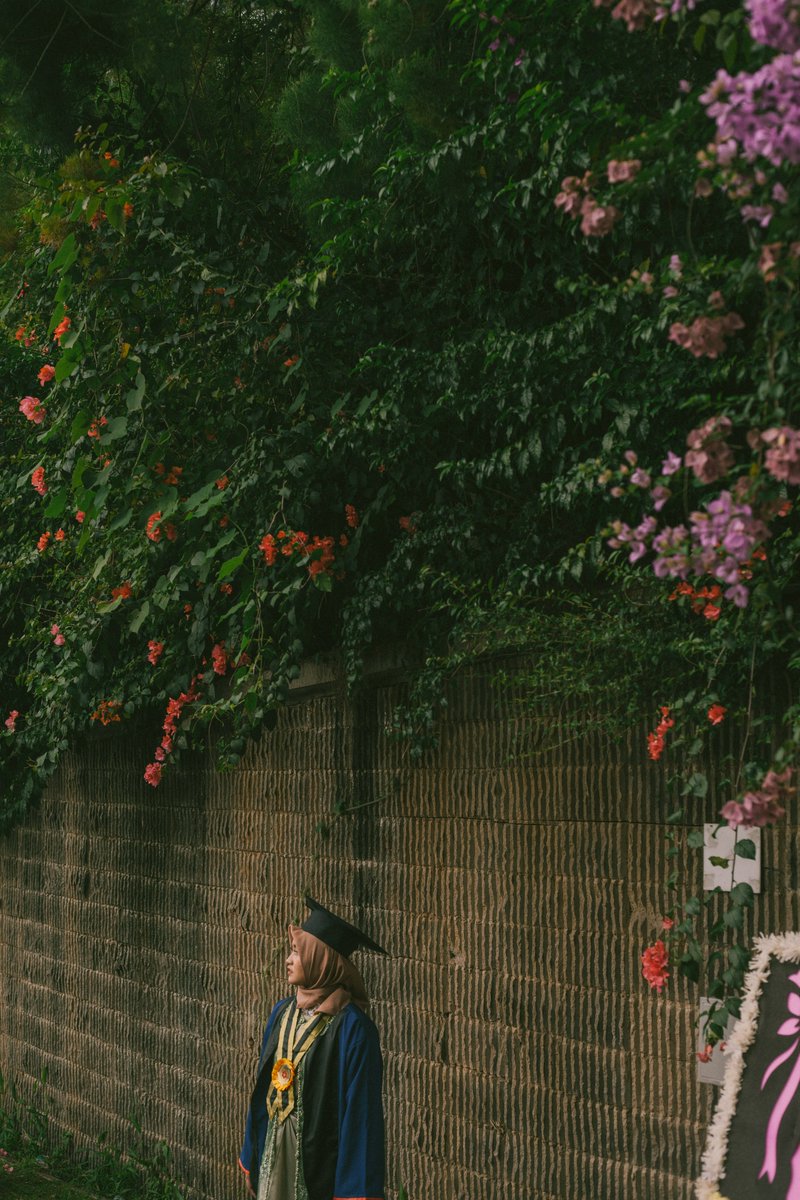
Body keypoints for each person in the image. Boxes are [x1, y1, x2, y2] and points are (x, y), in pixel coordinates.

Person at [239, 897, 386, 1200]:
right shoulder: (281, 1013)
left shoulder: (353, 1031)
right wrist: (252, 1154)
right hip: (274, 1157)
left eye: (297, 952)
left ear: (322, 960)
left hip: (321, 1168)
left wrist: (353, 1193)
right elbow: (263, 1092)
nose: (288, 960)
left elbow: (360, 1116)